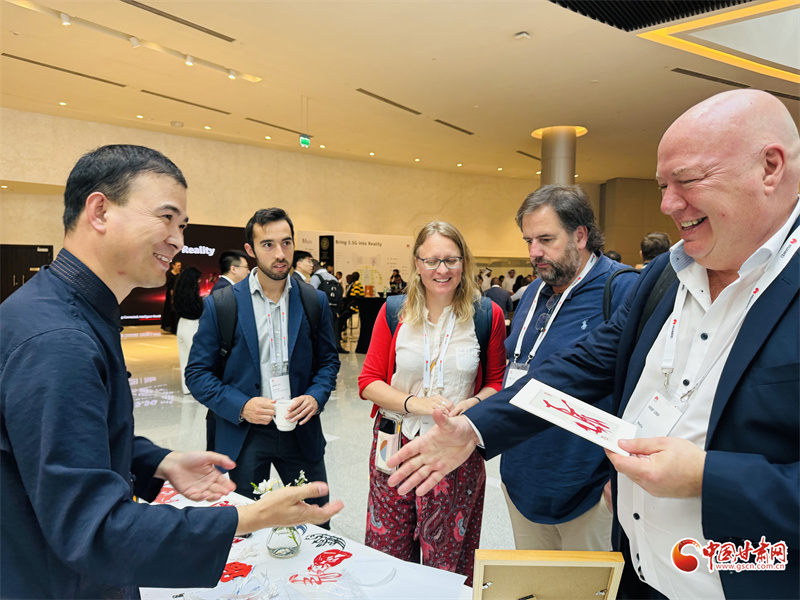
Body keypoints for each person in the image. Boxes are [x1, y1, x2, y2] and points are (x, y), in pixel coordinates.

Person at [386, 89, 800, 599]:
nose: (668, 204)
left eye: (688, 180)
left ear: (770, 167)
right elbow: (580, 368)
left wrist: (709, 477)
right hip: (641, 575)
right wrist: (475, 427)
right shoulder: (665, 277)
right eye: (663, 186)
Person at [0, 145, 342, 599]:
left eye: (182, 225)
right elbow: (93, 530)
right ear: (99, 211)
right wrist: (248, 517)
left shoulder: (65, 311)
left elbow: (70, 447)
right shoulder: (58, 340)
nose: (178, 240)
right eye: (166, 218)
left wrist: (156, 461)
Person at [358, 221, 507, 585]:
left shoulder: (486, 315)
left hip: (455, 446)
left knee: (448, 560)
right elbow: (368, 382)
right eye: (432, 260)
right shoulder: (394, 312)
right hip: (395, 442)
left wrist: (473, 402)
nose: (442, 270)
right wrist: (417, 403)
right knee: (388, 550)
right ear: (417, 263)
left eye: (451, 260)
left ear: (464, 262)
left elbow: (496, 383)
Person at [499, 184, 638, 553]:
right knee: (536, 582)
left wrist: (620, 478)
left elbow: (648, 388)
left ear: (580, 235)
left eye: (546, 239)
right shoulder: (533, 293)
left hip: (588, 490)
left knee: (584, 583)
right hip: (522, 479)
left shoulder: (621, 289)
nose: (534, 252)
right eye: (528, 241)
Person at [186, 208, 341, 525]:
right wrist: (242, 405)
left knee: (317, 520)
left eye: (286, 243)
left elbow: (328, 361)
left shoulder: (313, 301)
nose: (280, 254)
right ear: (251, 250)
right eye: (268, 245)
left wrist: (315, 397)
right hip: (245, 434)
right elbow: (197, 374)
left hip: (300, 428)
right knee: (244, 526)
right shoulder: (223, 304)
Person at [174, 266, 204, 395]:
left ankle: (186, 387)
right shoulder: (192, 297)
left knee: (185, 358)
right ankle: (198, 386)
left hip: (182, 324)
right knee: (197, 359)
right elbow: (196, 311)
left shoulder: (179, 293)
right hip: (192, 325)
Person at [309, 257, 347, 353]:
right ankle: (336, 345)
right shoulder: (333, 277)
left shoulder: (316, 277)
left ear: (313, 267)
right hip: (334, 308)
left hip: (321, 307)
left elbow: (311, 294)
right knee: (334, 327)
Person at [160, 258, 181, 332]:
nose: (179, 267)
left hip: (178, 294)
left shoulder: (180, 274)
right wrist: (172, 292)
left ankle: (176, 325)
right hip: (171, 294)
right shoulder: (170, 274)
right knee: (170, 308)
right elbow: (168, 284)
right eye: (178, 266)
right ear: (173, 266)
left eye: (180, 266)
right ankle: (169, 325)